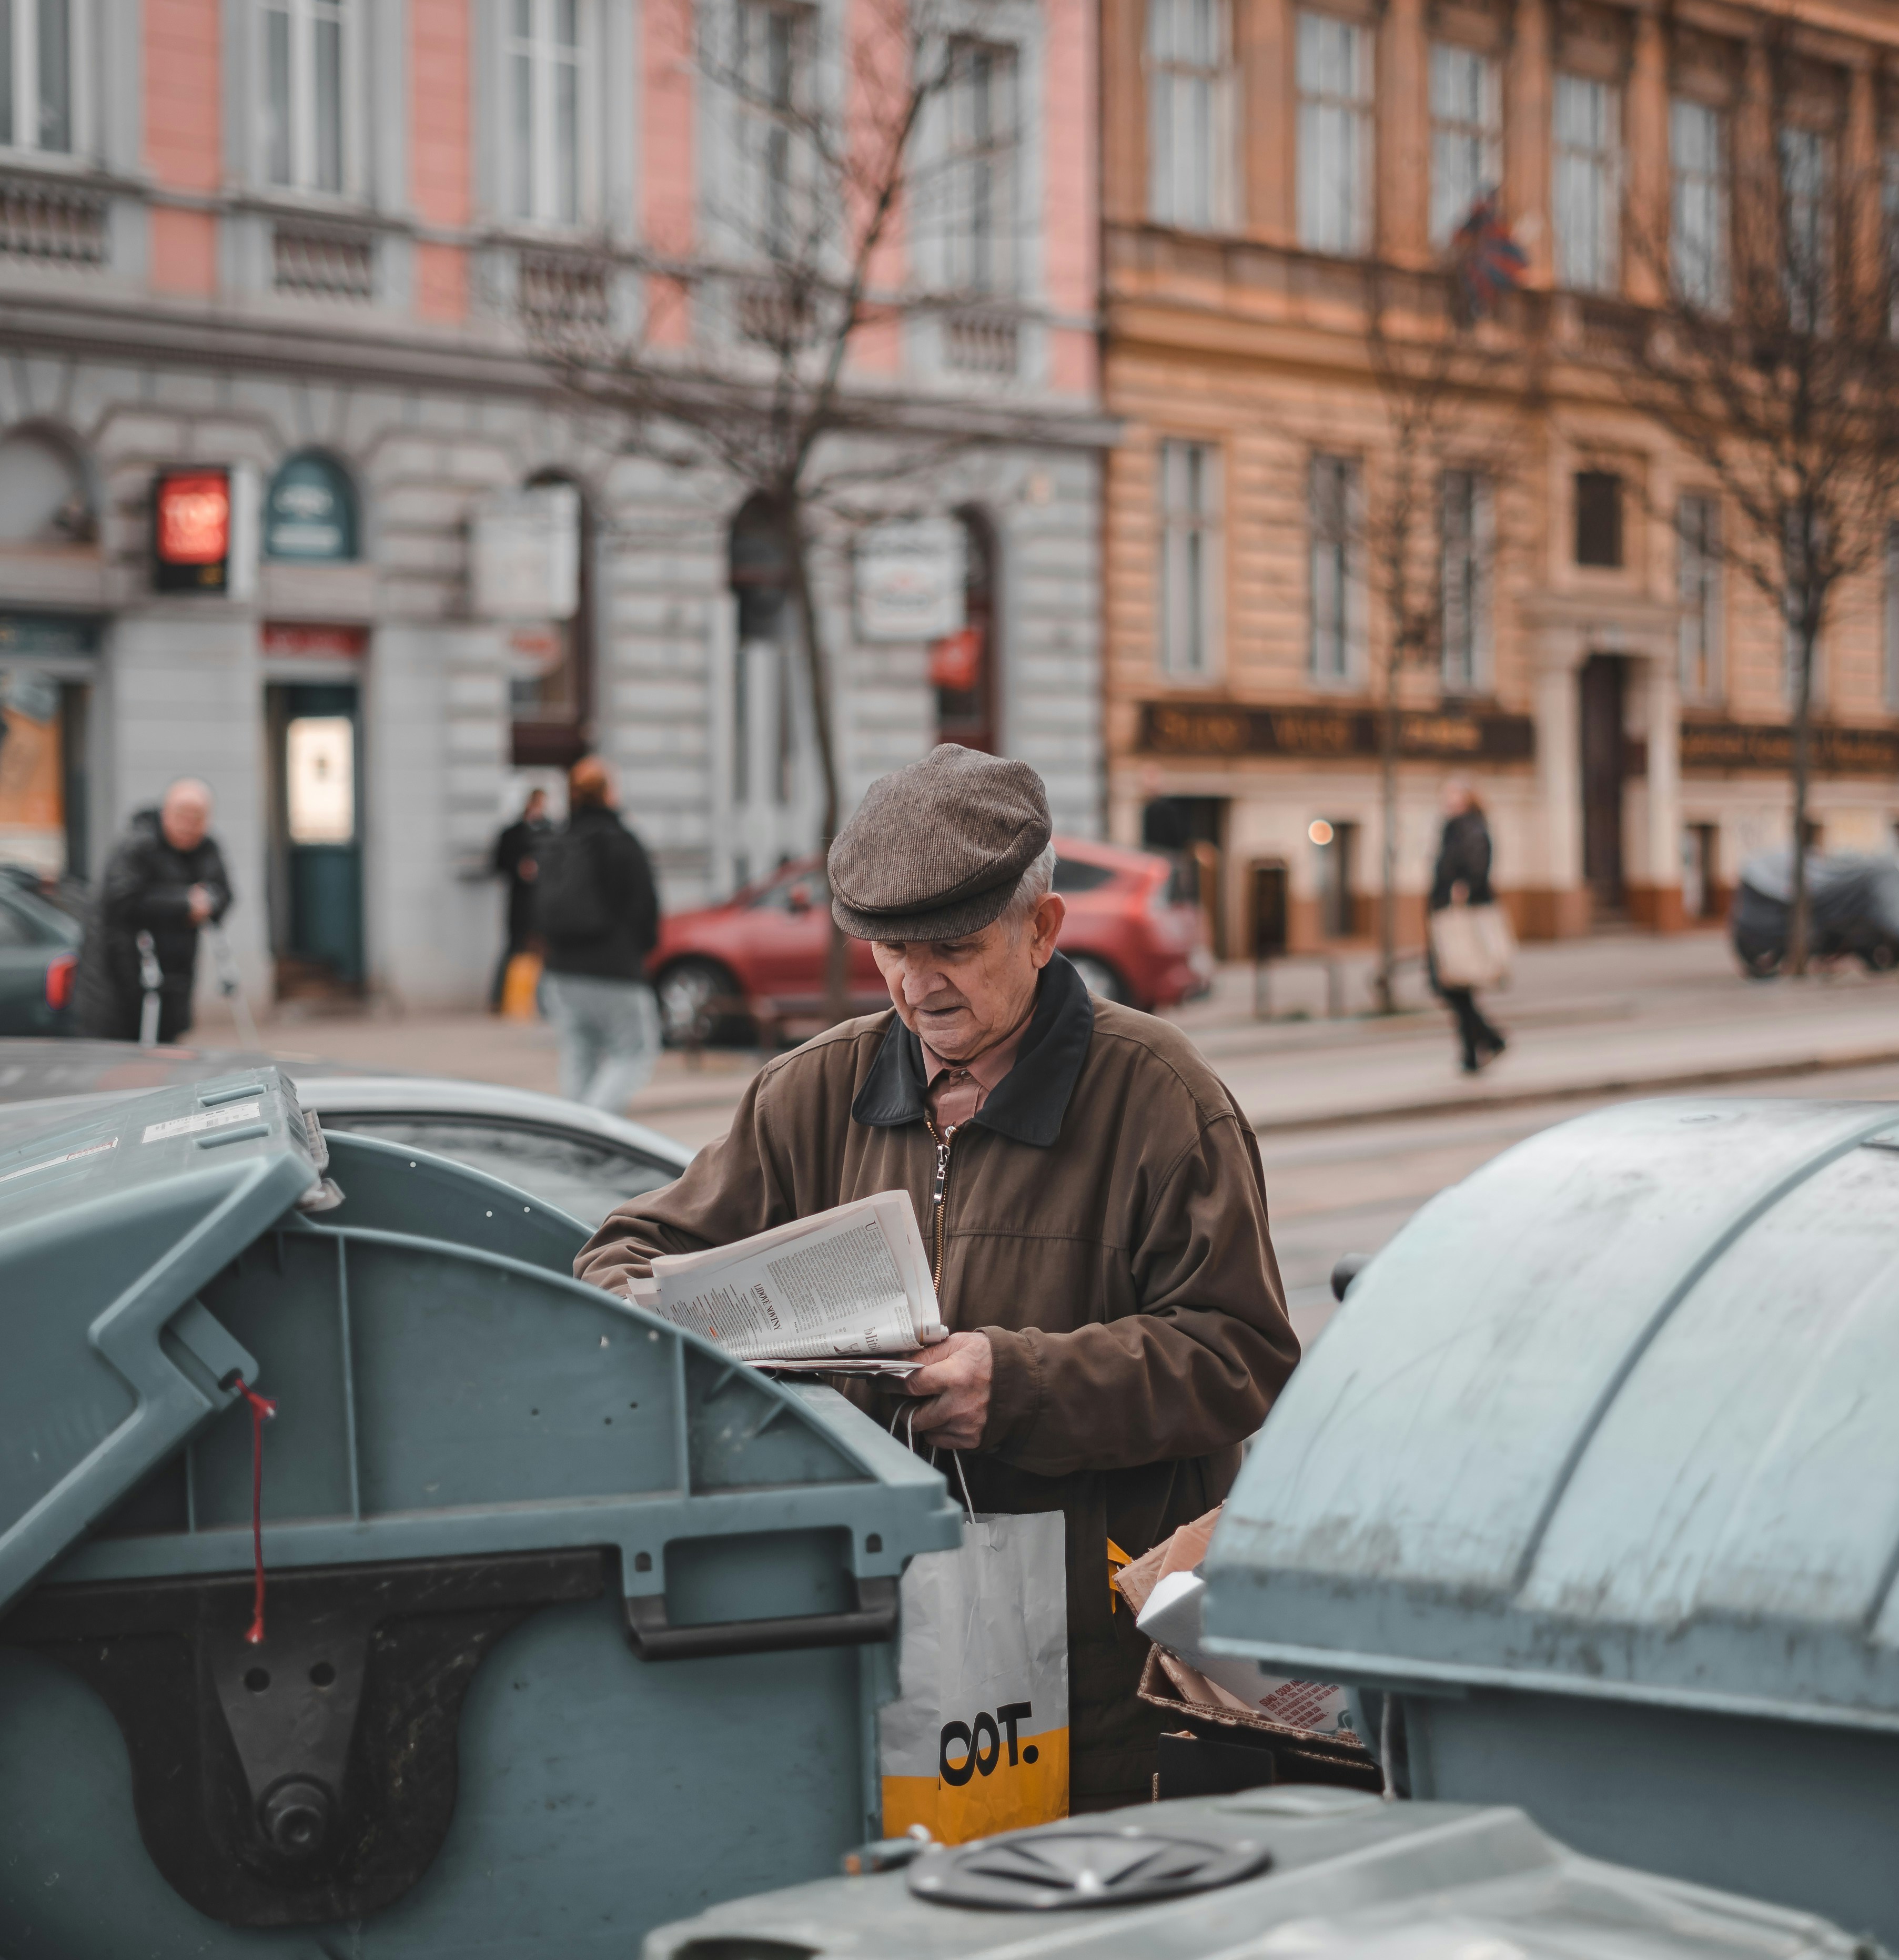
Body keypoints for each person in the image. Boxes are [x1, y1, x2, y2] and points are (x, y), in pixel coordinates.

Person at [575, 742, 1300, 1811]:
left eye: (953, 948)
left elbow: (1240, 1357)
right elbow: (618, 1262)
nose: (918, 986)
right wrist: (715, 1330)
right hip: (880, 1636)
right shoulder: (811, 1093)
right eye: (888, 951)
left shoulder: (1161, 1099)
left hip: (1108, 1673)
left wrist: (1016, 1384)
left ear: (1043, 930)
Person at [534, 757, 662, 1113]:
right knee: (635, 1052)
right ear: (608, 792)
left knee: (579, 1058)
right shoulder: (621, 843)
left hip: (561, 970)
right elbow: (644, 908)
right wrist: (640, 951)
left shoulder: (557, 842)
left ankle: (576, 1140)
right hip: (613, 968)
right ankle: (592, 1132)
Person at [70, 780, 233, 1044]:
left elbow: (224, 893)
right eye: (182, 815)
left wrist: (209, 902)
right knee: (120, 1055)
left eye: (198, 818)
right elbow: (120, 900)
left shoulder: (207, 849)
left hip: (174, 974)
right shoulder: (138, 845)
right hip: (120, 974)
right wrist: (184, 902)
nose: (189, 825)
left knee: (165, 1051)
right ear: (165, 813)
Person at [1428, 776, 1508, 1075]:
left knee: (1453, 986)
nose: (1447, 801)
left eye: (1453, 795)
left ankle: (1481, 1047)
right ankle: (1482, 1046)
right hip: (1447, 917)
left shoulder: (1470, 828)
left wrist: (1462, 890)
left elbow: (1476, 869)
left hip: (1458, 919)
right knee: (1454, 987)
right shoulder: (1454, 828)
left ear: (1468, 799)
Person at [489, 784, 552, 1012]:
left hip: (543, 900)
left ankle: (543, 1003)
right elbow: (497, 863)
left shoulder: (551, 832)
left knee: (544, 950)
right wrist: (518, 868)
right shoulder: (513, 833)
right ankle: (500, 1000)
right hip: (520, 901)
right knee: (513, 949)